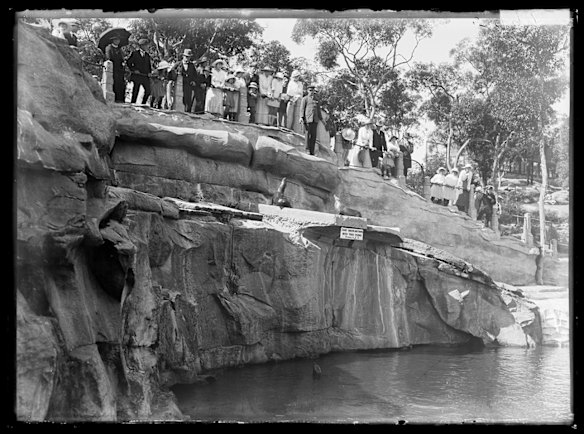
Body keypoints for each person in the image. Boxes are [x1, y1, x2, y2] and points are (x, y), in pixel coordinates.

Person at [126, 38, 153, 104]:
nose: (147, 47)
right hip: (137, 75)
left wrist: (149, 73)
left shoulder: (147, 55)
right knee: (136, 90)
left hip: (145, 75)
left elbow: (148, 65)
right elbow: (128, 62)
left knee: (148, 91)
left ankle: (143, 103)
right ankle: (133, 103)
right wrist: (134, 70)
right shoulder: (135, 53)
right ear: (142, 45)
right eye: (146, 45)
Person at [299, 84, 321, 156]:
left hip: (315, 119)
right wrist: (301, 117)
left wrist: (320, 119)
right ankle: (307, 149)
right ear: (307, 91)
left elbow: (318, 110)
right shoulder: (305, 99)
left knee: (313, 136)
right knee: (307, 135)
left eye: (313, 90)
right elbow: (302, 109)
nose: (311, 92)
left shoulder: (317, 99)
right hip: (308, 119)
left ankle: (312, 151)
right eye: (310, 90)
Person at [105, 36, 126, 103]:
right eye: (116, 39)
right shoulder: (109, 48)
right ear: (113, 40)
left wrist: (123, 62)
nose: (117, 41)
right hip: (113, 68)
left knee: (121, 83)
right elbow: (108, 57)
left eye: (118, 40)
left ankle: (121, 99)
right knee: (114, 83)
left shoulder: (120, 49)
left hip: (120, 69)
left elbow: (122, 58)